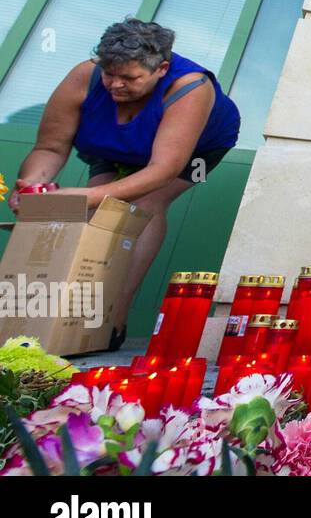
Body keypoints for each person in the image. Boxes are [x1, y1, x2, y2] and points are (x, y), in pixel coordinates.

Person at [7, 18, 241, 350]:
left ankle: (113, 317)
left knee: (142, 205)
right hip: (113, 143)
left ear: (161, 68)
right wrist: (30, 187)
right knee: (97, 210)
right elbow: (49, 148)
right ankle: (66, 318)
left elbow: (161, 171)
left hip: (198, 153)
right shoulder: (83, 77)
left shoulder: (190, 86)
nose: (115, 85)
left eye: (129, 78)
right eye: (108, 74)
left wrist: (83, 196)